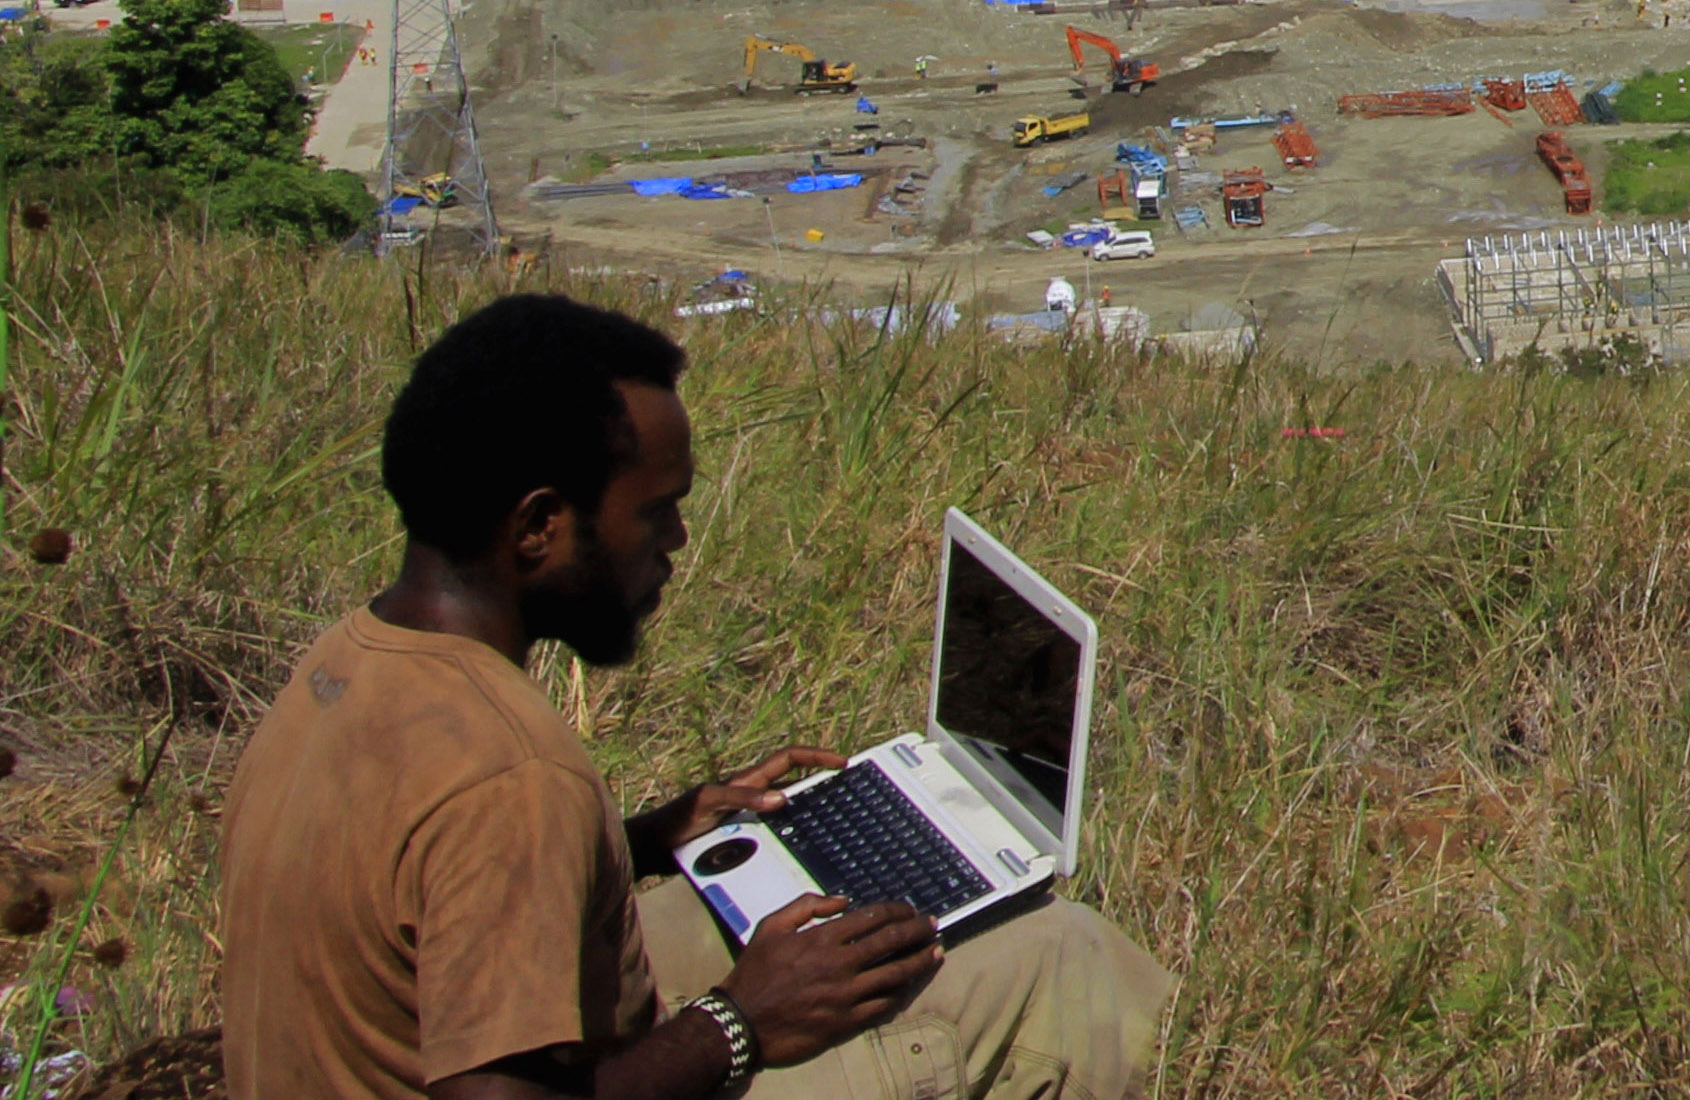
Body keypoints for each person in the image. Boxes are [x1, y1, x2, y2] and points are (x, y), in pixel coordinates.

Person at [221, 294, 1170, 1098]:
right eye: (655, 509)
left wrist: (639, 839)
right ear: (540, 526)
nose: (676, 539)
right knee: (1056, 952)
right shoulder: (515, 776)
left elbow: (429, 888)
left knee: (804, 900)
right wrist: (739, 1021)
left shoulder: (347, 666)